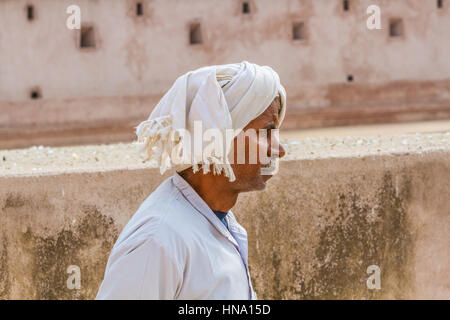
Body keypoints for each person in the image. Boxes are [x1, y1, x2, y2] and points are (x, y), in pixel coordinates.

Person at [96, 61, 287, 299]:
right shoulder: (158, 240)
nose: (279, 150)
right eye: (265, 132)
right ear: (219, 137)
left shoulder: (219, 221)